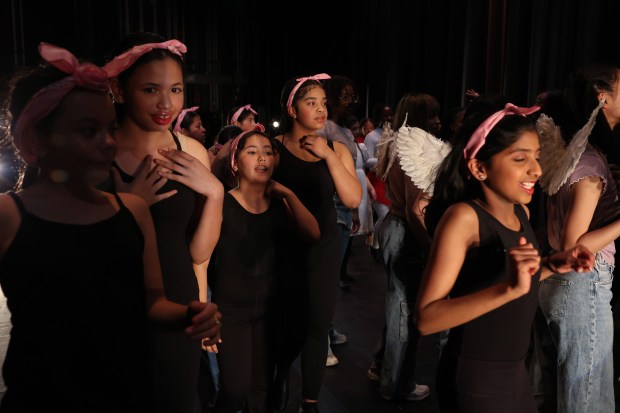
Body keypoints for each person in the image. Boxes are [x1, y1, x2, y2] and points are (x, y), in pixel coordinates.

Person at [0, 41, 222, 413]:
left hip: (124, 369)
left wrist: (193, 313)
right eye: (89, 131)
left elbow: (152, 302)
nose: (107, 142)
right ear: (35, 141)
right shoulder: (10, 214)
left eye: (107, 128)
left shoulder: (131, 208)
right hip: (46, 385)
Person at [413, 97, 594, 412]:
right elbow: (426, 319)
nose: (536, 170)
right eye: (520, 158)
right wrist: (508, 289)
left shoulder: (520, 211)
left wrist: (554, 263)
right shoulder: (463, 218)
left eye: (536, 157)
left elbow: (517, 277)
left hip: (515, 373)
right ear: (479, 167)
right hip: (475, 378)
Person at [104, 32, 224, 413]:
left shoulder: (190, 151)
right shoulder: (95, 151)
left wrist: (216, 193)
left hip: (178, 303)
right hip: (110, 309)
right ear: (118, 90)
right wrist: (130, 204)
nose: (166, 103)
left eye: (175, 89)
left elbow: (199, 253)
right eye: (151, 89)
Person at [207, 130, 320, 413]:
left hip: (271, 309)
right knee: (234, 389)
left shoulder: (279, 201)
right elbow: (201, 258)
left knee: (261, 391)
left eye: (269, 152)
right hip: (231, 312)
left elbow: (313, 233)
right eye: (253, 151)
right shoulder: (222, 202)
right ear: (235, 163)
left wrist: (289, 194)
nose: (263, 158)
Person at [270, 73, 361, 413]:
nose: (321, 109)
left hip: (322, 252)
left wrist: (328, 155)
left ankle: (309, 403)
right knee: (285, 327)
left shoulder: (335, 148)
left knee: (318, 328)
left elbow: (352, 198)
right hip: (282, 250)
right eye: (311, 103)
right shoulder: (274, 147)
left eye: (323, 103)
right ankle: (278, 380)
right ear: (292, 109)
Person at [532, 64, 620, 413]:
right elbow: (573, 246)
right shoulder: (589, 163)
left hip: (562, 284)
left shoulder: (578, 154)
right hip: (582, 281)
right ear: (603, 97)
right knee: (584, 397)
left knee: (556, 390)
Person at [366, 92, 442, 401]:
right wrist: (431, 245)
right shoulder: (415, 148)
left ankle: (383, 368)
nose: (439, 120)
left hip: (395, 228)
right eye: (433, 115)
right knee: (403, 312)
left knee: (398, 307)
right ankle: (395, 385)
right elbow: (415, 207)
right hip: (405, 231)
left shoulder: (399, 141)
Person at [364, 103, 393, 261]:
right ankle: (375, 245)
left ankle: (378, 245)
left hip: (390, 180)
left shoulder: (394, 134)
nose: (388, 118)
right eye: (385, 115)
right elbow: (367, 159)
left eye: (390, 115)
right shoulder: (372, 136)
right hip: (377, 180)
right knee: (384, 214)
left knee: (388, 216)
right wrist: (385, 161)